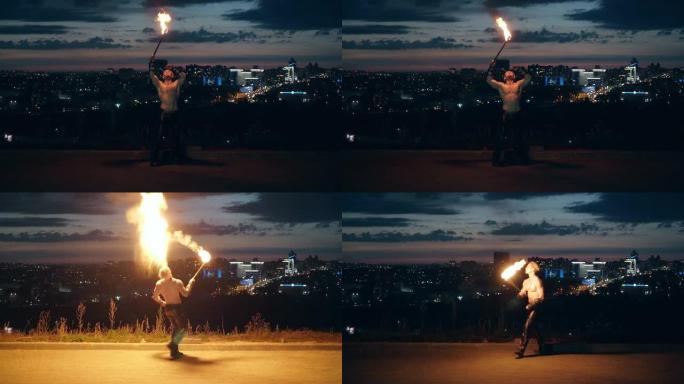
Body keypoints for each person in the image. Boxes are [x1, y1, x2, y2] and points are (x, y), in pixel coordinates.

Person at [486, 65, 532, 166]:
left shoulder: (519, 84)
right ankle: (496, 160)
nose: (509, 73)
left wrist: (522, 70)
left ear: (514, 76)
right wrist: (491, 68)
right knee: (501, 138)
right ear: (504, 77)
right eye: (507, 73)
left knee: (519, 137)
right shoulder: (501, 85)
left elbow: (528, 78)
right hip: (506, 114)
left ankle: (523, 159)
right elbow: (489, 80)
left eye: (511, 73)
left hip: (517, 114)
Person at [152, 266, 195, 359]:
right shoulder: (177, 282)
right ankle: (172, 344)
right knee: (184, 329)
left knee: (176, 328)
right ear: (170, 272)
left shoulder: (159, 283)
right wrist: (190, 283)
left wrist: (163, 303)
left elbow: (155, 296)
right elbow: (186, 293)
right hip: (177, 308)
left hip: (168, 308)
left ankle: (174, 353)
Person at [149, 60, 187, 166]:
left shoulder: (175, 84)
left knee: (176, 136)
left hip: (174, 112)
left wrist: (174, 68)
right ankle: (154, 159)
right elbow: (152, 75)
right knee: (158, 136)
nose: (167, 73)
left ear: (172, 75)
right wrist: (151, 64)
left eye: (169, 72)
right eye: (165, 72)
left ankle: (177, 158)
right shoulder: (160, 85)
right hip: (164, 113)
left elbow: (183, 76)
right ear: (163, 75)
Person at [516, 261, 545, 358]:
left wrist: (532, 305)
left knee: (527, 327)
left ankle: (521, 350)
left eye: (527, 267)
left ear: (532, 269)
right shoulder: (526, 281)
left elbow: (541, 297)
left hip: (536, 307)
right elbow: (522, 292)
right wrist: (520, 294)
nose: (525, 268)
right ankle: (543, 348)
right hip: (529, 307)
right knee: (536, 329)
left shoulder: (537, 280)